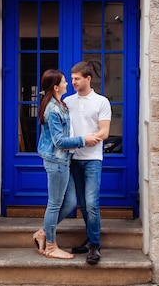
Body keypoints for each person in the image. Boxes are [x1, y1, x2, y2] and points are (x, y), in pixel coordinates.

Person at [32, 69, 101, 259]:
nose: (67, 84)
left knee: (69, 202)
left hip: (64, 161)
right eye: (64, 82)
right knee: (54, 204)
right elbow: (59, 141)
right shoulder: (53, 109)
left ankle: (42, 234)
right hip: (56, 161)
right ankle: (51, 247)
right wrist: (83, 140)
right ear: (56, 87)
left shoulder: (61, 104)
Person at [66, 61, 112, 265]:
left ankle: (94, 245)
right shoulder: (67, 101)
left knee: (92, 203)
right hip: (73, 159)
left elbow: (104, 132)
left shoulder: (101, 102)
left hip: (93, 159)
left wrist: (89, 138)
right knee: (82, 205)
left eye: (77, 78)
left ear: (88, 79)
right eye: (72, 78)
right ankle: (90, 240)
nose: (73, 82)